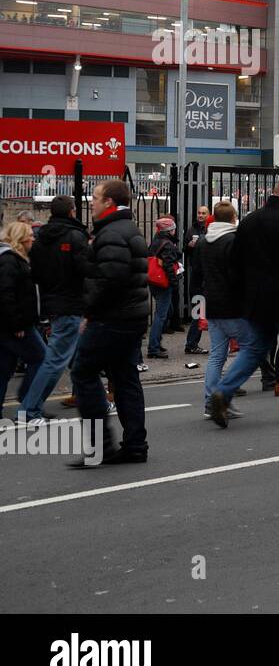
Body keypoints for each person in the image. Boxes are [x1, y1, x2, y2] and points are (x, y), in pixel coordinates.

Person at [210, 181, 279, 426]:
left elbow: (234, 263)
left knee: (254, 349)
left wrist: (245, 294)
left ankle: (223, 390)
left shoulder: (249, 221)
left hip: (255, 300)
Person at [68, 179, 150, 465]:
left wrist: (89, 313)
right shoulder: (124, 228)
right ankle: (135, 445)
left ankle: (101, 445)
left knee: (83, 372)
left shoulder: (113, 232)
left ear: (109, 203)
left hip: (112, 317)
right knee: (125, 377)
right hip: (131, 316)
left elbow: (110, 280)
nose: (91, 201)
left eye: (96, 197)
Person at [22, 195, 89, 423]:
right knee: (55, 359)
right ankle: (29, 410)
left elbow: (36, 273)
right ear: (72, 211)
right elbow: (85, 270)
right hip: (71, 304)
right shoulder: (76, 236)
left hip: (52, 302)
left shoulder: (41, 239)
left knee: (76, 356)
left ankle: (89, 399)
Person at [199, 202, 249, 418]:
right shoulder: (233, 240)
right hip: (233, 305)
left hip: (212, 302)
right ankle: (223, 397)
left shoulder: (203, 241)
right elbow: (239, 275)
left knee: (217, 355)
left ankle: (210, 402)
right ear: (233, 218)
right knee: (251, 348)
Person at [0, 221, 45, 420]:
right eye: (30, 235)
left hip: (15, 323)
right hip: (17, 325)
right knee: (41, 358)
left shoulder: (17, 259)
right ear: (21, 238)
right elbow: (6, 295)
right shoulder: (9, 261)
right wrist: (16, 324)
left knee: (4, 368)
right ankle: (28, 401)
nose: (33, 238)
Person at [145, 216, 181, 359]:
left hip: (154, 281)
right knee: (161, 315)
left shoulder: (156, 241)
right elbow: (168, 266)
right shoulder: (167, 244)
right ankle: (153, 347)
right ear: (171, 230)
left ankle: (156, 342)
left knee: (166, 311)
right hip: (163, 282)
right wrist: (174, 282)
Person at [182, 206, 209, 355]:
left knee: (201, 312)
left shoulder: (209, 229)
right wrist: (190, 246)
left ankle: (192, 343)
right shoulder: (192, 230)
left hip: (204, 277)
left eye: (203, 213)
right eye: (199, 213)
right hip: (199, 277)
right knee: (198, 312)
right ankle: (191, 344)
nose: (200, 215)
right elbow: (185, 249)